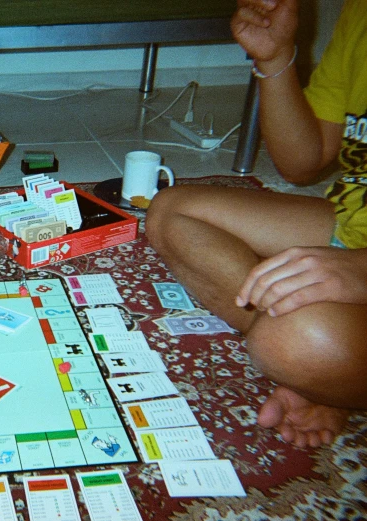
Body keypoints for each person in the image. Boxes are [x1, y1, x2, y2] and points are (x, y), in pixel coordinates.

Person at [145, 0, 367, 448]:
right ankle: (327, 369)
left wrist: (361, 269)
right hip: (352, 220)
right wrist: (275, 58)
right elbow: (302, 163)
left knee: (295, 341)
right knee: (171, 211)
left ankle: (321, 361)